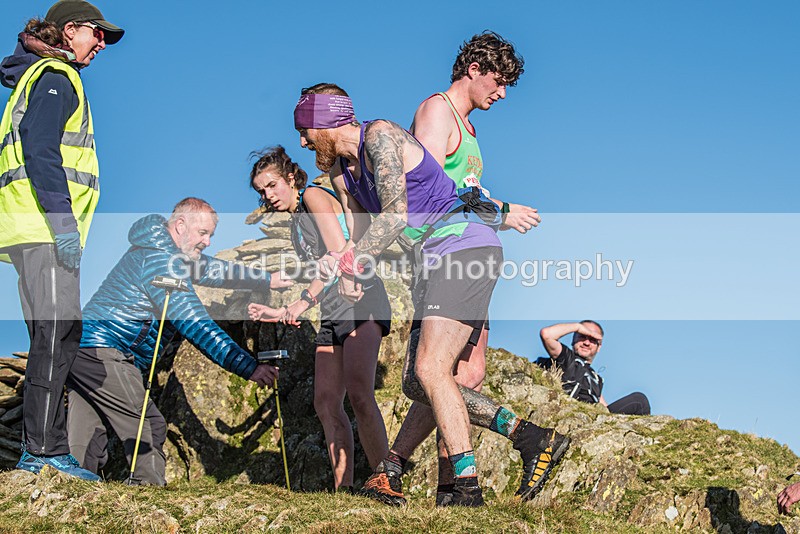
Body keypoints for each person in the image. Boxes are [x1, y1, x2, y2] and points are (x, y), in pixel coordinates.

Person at [293, 83, 569, 507]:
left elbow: (395, 218)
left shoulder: (380, 136)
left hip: (463, 244)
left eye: (305, 129)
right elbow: (363, 235)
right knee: (417, 381)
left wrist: (349, 260)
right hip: (432, 260)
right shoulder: (339, 174)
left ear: (327, 122)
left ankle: (467, 488)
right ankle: (530, 437)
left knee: (432, 368)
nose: (303, 140)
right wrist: (346, 269)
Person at [399, 31, 543, 504]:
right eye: (498, 82)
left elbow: (459, 195)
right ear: (474, 68)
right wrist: (501, 210)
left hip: (464, 253)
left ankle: (463, 483)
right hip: (449, 251)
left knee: (436, 372)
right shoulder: (436, 111)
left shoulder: (470, 127)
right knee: (453, 375)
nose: (501, 94)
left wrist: (496, 213)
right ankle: (447, 486)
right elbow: (428, 187)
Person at [65, 197, 291, 485]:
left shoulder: (165, 252)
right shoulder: (162, 262)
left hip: (84, 350)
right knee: (148, 425)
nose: (207, 242)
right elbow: (195, 324)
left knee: (87, 434)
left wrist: (265, 279)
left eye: (211, 235)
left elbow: (214, 271)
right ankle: (146, 494)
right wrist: (250, 367)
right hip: (105, 350)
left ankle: (75, 493)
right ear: (181, 225)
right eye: (203, 233)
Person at [0, 0, 124, 480]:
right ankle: (47, 454)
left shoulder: (34, 75)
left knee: (49, 336)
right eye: (97, 34)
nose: (100, 46)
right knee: (58, 335)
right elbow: (41, 149)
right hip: (46, 230)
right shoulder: (56, 75)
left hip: (27, 230)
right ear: (70, 30)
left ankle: (43, 451)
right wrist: (64, 225)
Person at [246, 146, 391, 492]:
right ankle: (346, 489)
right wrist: (282, 309)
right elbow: (320, 268)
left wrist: (302, 302)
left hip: (362, 297)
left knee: (359, 393)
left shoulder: (312, 196)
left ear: (292, 178)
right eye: (261, 191)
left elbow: (339, 250)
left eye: (272, 185)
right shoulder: (297, 220)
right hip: (333, 307)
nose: (268, 196)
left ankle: (386, 480)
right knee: (325, 400)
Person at [538, 321, 651, 415]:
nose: (587, 342)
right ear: (573, 339)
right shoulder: (568, 358)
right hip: (572, 414)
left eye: (593, 339)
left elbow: (605, 409)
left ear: (599, 347)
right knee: (640, 400)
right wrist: (577, 327)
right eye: (582, 336)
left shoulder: (596, 379)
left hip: (594, 419)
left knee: (639, 404)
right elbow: (547, 334)